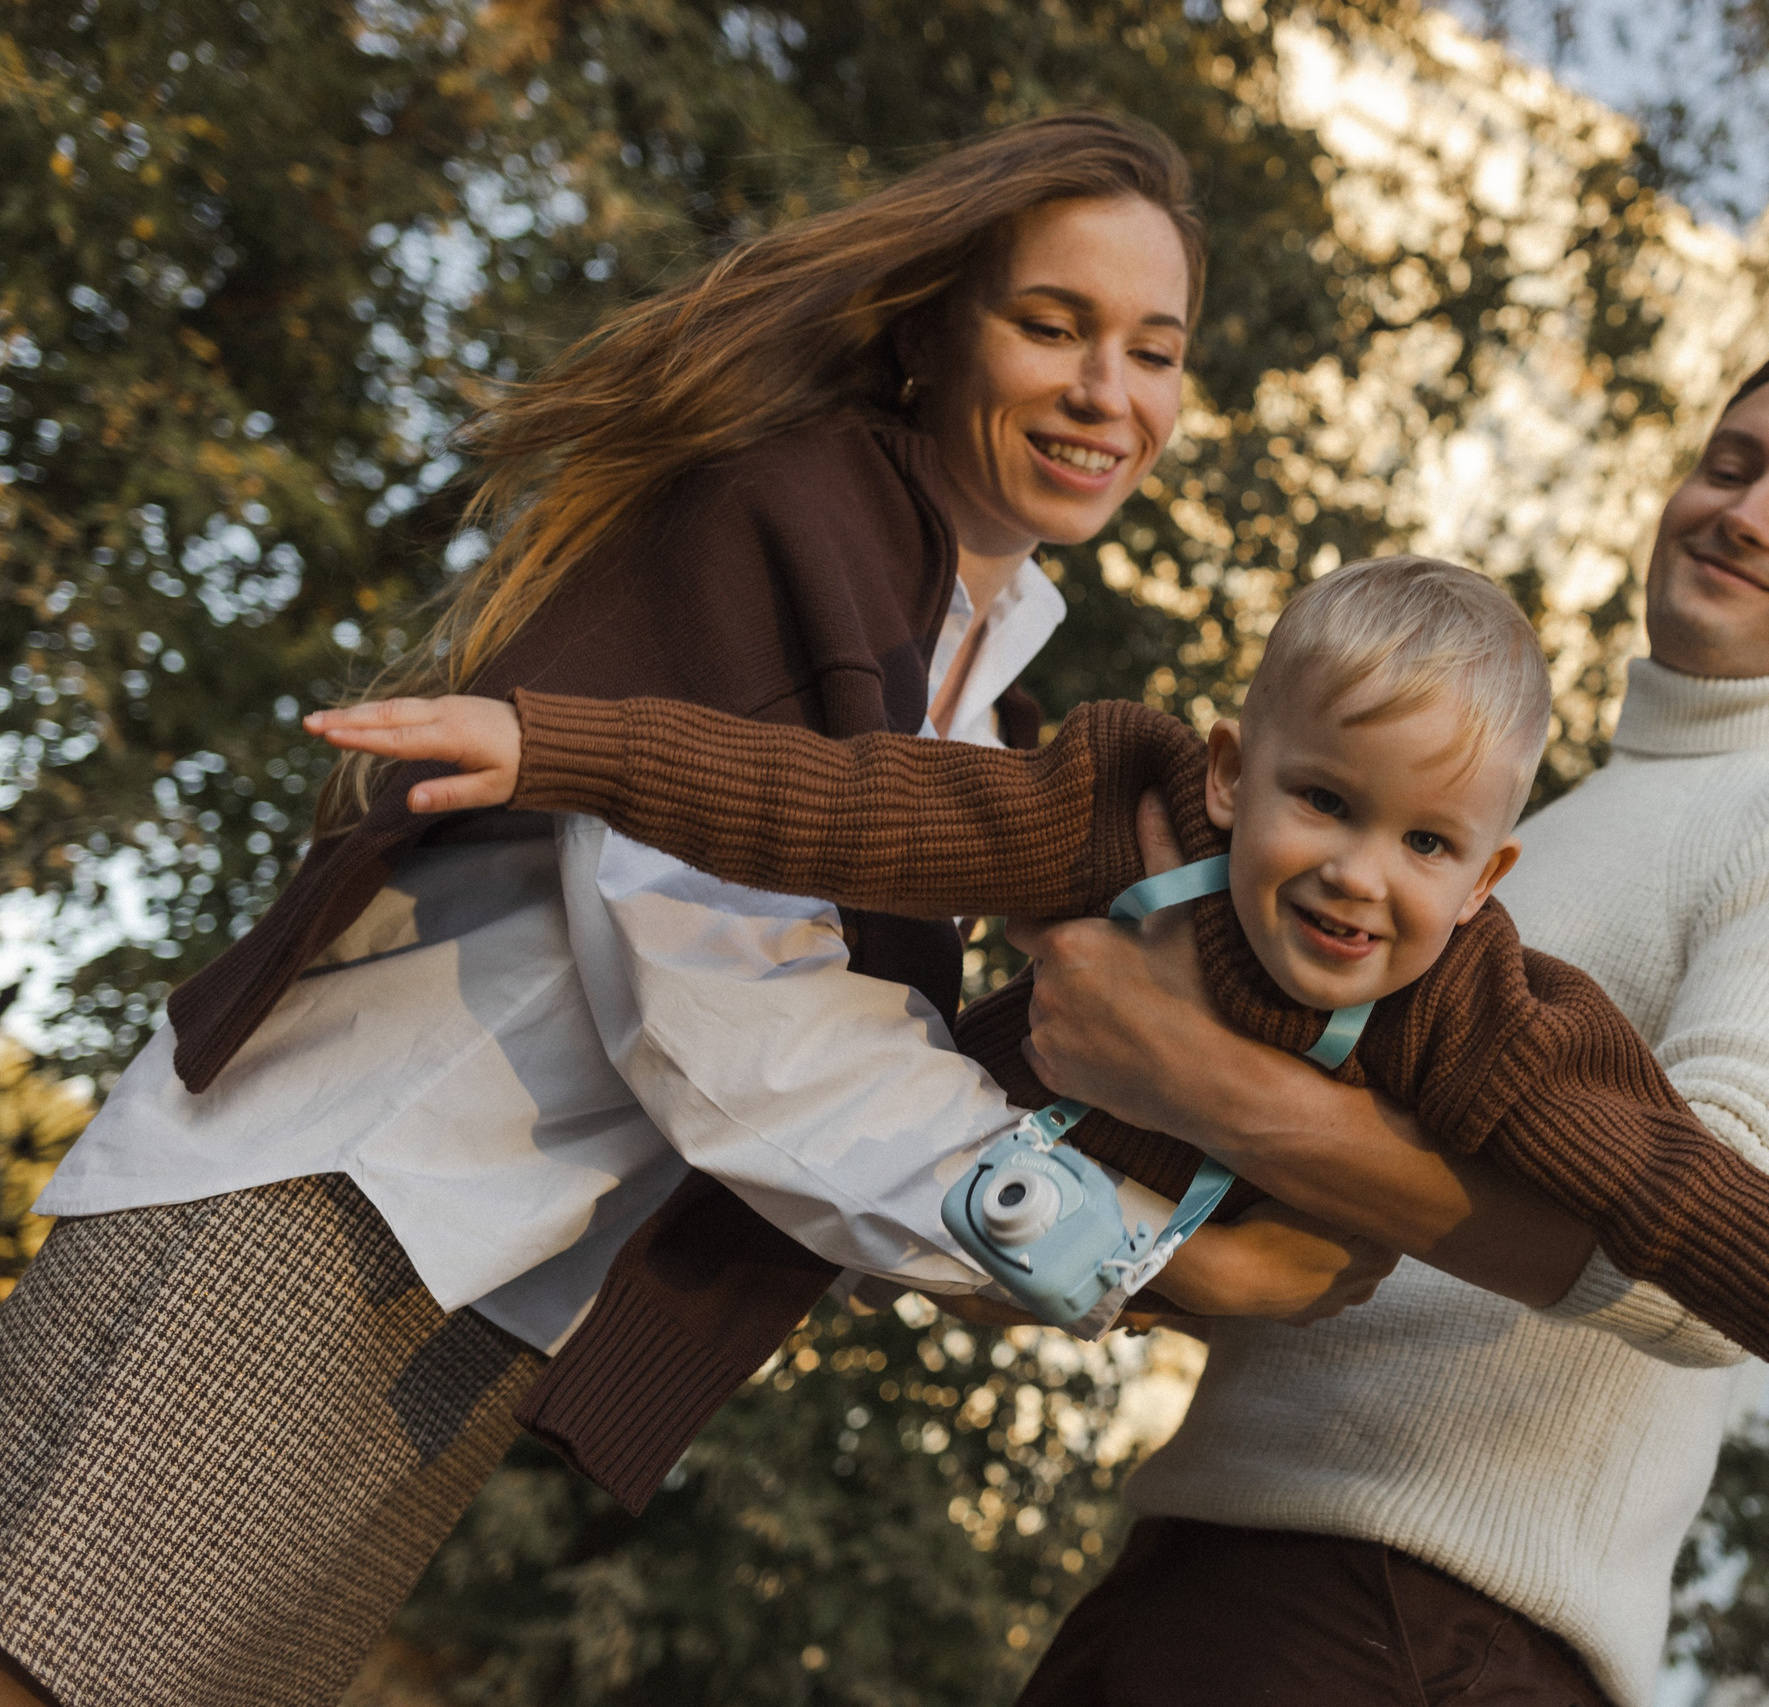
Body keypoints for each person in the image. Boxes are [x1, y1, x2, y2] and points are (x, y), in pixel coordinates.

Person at [0, 114, 1387, 1707]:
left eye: (1155, 350)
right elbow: (733, 1003)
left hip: (475, 1293)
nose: (1109, 395)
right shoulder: (793, 520)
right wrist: (1133, 1259)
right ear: (932, 327)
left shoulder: (973, 683)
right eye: (1052, 325)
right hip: (332, 1202)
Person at [308, 555, 1769, 1490]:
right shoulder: (1116, 810)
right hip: (1007, 1131)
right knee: (745, 1224)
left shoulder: (1483, 1020)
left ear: (1494, 872)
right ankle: (579, 1416)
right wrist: (553, 743)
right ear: (1229, 774)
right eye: (1325, 805)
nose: (1361, 877)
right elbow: (848, 800)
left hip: (1205, 1245)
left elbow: (1702, 1209)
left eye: (1428, 844)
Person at [988, 332, 1769, 1704]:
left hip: (1417, 1614)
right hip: (1232, 1565)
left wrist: (1205, 1081)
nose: (1749, 511)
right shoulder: (1504, 839)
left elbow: (1715, 1258)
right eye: (1730, 467)